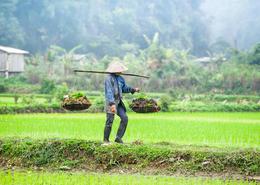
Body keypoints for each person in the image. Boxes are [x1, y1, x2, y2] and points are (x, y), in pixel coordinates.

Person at [104, 61, 139, 144]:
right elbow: (109, 92)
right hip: (111, 102)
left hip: (119, 102)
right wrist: (112, 104)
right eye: (120, 70)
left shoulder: (120, 79)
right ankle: (106, 140)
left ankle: (118, 138)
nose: (122, 71)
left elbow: (124, 88)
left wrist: (133, 89)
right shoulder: (108, 79)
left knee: (124, 118)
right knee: (110, 121)